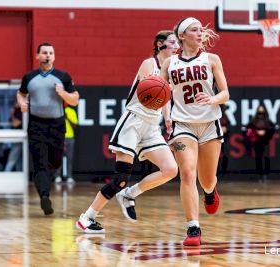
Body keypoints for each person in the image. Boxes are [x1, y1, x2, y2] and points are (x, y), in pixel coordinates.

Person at [76, 30, 179, 234]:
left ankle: (129, 194)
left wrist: (168, 118)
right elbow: (150, 92)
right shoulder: (150, 64)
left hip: (152, 127)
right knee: (120, 179)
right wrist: (164, 92)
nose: (177, 46)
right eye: (173, 42)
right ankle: (87, 218)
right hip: (134, 121)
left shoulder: (172, 70)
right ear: (160, 45)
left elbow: (164, 97)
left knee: (170, 170)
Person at [160, 17, 229, 246]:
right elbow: (160, 94)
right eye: (194, 30)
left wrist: (212, 99)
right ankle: (193, 228)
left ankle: (210, 192)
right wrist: (166, 116)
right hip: (182, 125)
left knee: (206, 180)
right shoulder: (170, 64)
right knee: (187, 173)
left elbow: (225, 94)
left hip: (210, 123)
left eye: (201, 30)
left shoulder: (212, 59)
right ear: (182, 35)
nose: (200, 33)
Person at [17, 42, 79, 215]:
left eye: (51, 53)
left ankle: (46, 186)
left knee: (55, 162)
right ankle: (44, 196)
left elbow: (75, 99)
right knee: (39, 163)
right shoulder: (29, 77)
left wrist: (63, 94)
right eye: (44, 53)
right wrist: (22, 103)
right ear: (37, 56)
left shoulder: (63, 77)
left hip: (57, 125)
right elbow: (20, 94)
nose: (48, 55)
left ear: (54, 56)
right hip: (36, 125)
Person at [245, 105, 276, 182]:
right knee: (258, 157)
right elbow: (248, 129)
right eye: (259, 110)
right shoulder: (254, 121)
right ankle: (260, 174)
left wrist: (265, 132)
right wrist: (256, 132)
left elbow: (273, 129)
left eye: (262, 110)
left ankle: (266, 174)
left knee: (266, 157)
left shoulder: (268, 121)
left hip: (265, 141)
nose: (261, 112)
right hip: (257, 141)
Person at [55, 104, 78, 183]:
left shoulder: (71, 111)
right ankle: (57, 176)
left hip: (69, 137)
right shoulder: (57, 111)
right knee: (58, 158)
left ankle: (69, 177)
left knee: (69, 158)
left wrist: (67, 117)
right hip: (59, 137)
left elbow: (74, 126)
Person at [4, 102, 23, 172]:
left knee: (12, 158)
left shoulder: (22, 112)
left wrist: (12, 113)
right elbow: (10, 122)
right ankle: (19, 174)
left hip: (20, 139)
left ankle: (6, 173)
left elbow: (16, 124)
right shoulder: (17, 112)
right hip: (16, 139)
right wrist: (13, 113)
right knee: (18, 159)